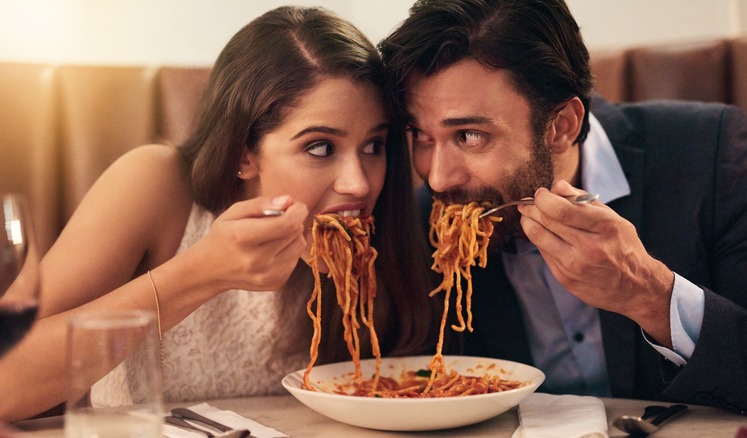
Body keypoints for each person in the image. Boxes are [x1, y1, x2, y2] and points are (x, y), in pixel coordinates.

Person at [0, 6, 439, 422]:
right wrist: (202, 272)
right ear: (244, 154)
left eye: (374, 146)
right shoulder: (155, 184)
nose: (359, 183)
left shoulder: (393, 221)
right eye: (320, 147)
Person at [379, 0, 747, 415]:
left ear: (562, 126)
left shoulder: (709, 153)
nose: (439, 177)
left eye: (469, 135)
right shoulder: (424, 223)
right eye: (420, 135)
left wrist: (648, 293)